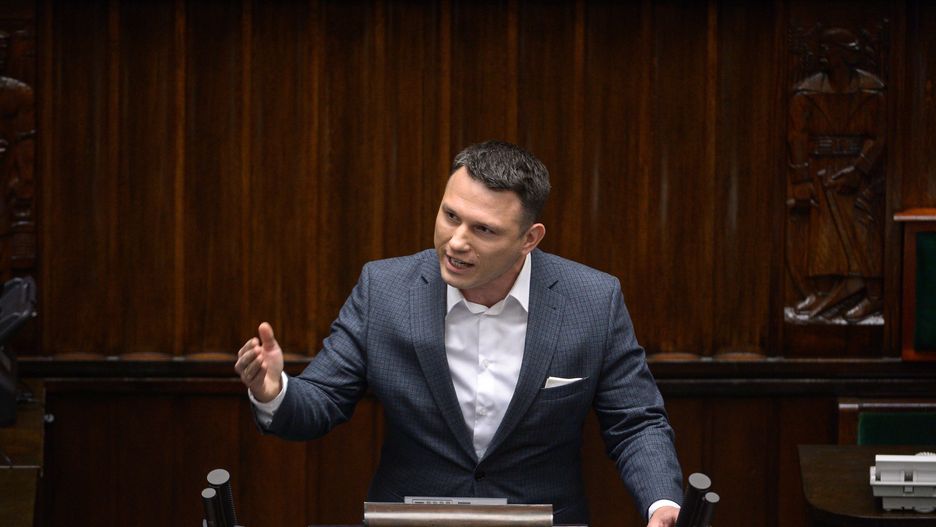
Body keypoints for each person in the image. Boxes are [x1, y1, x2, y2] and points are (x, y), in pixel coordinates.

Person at [235, 140, 683, 526]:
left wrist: (661, 501)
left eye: (483, 229)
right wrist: (274, 392)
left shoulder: (593, 301)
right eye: (450, 216)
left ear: (529, 239)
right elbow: (323, 400)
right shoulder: (384, 290)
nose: (456, 242)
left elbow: (635, 422)